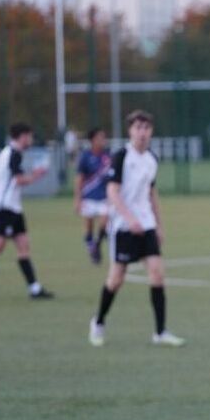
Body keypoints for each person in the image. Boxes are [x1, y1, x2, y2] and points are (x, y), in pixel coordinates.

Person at [88, 110, 183, 348]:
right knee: (116, 279)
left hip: (147, 224)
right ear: (130, 131)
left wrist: (159, 226)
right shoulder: (121, 157)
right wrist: (130, 219)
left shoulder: (151, 159)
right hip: (123, 227)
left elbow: (151, 193)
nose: (142, 132)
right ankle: (98, 322)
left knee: (157, 274)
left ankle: (160, 332)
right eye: (138, 127)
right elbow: (112, 192)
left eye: (146, 128)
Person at [0, 123, 54, 301]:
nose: (30, 140)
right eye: (29, 136)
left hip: (13, 207)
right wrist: (38, 174)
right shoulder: (13, 153)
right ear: (21, 136)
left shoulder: (14, 153)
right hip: (3, 206)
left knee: (23, 244)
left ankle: (34, 289)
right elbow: (20, 180)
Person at [74, 127, 112, 264]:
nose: (104, 140)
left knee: (104, 222)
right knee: (89, 228)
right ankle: (92, 246)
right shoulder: (85, 156)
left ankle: (97, 245)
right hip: (88, 196)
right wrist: (77, 199)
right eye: (101, 137)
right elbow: (79, 179)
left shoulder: (108, 156)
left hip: (104, 197)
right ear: (93, 140)